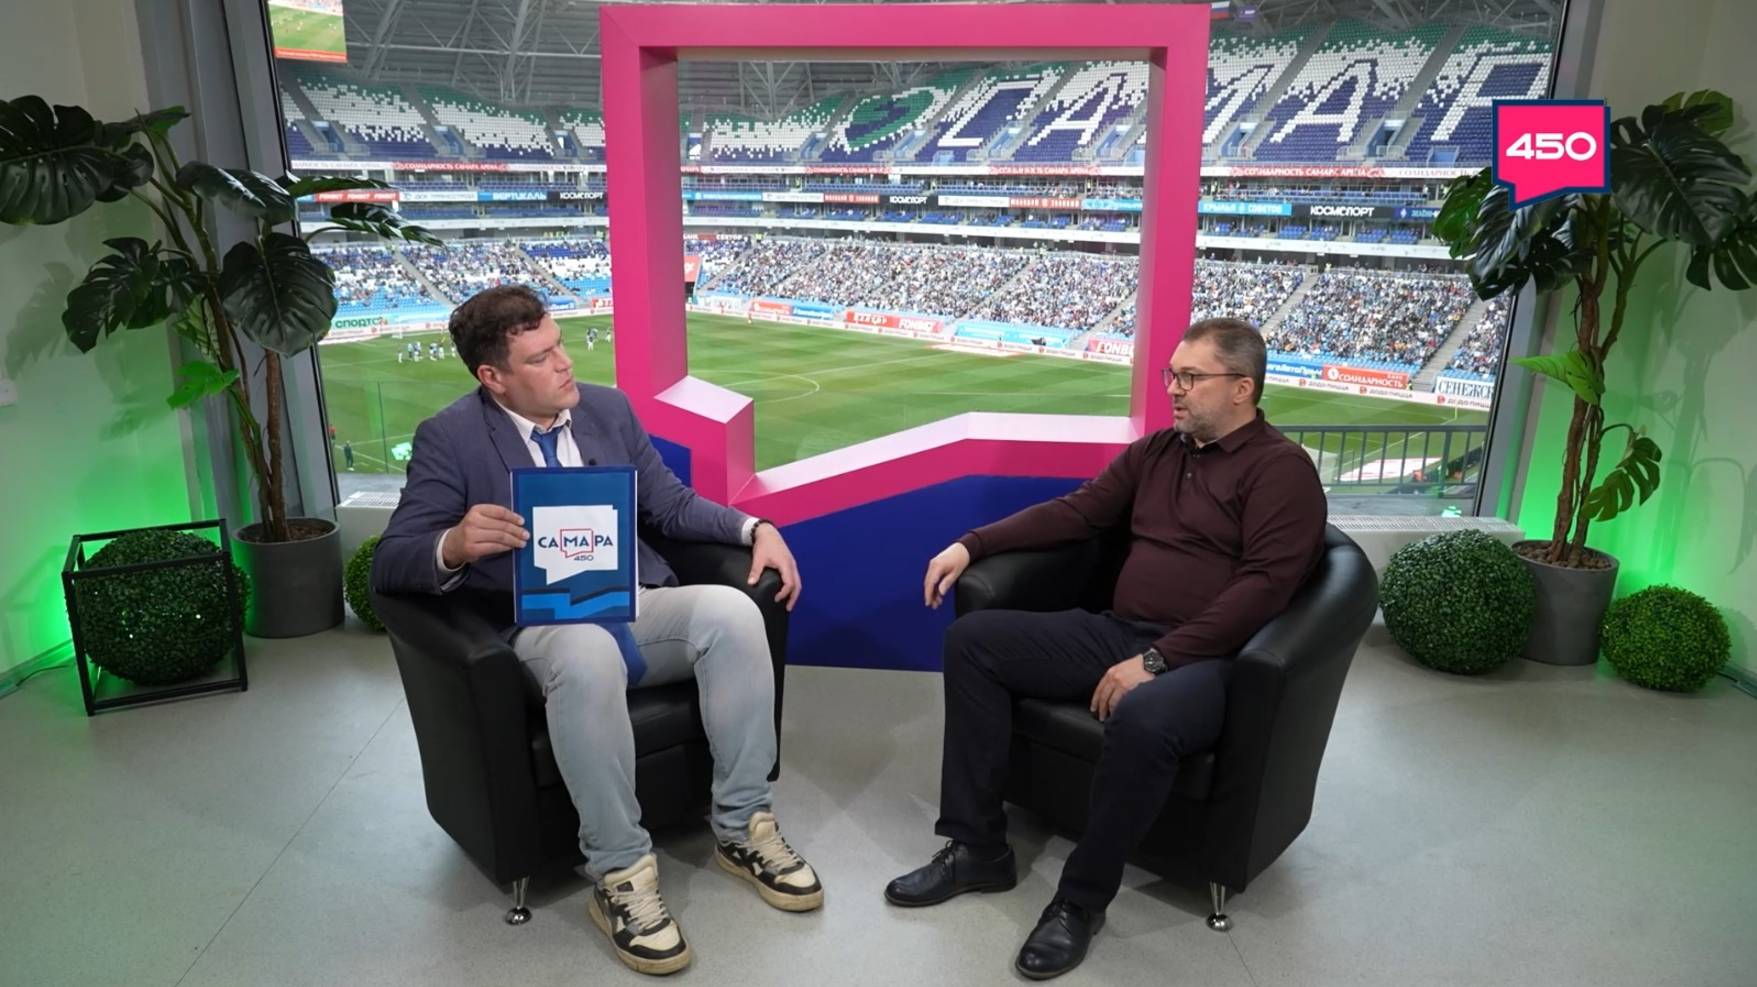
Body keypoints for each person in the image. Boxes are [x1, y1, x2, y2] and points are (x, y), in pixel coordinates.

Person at [373, 286, 822, 977]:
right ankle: (621, 875)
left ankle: (743, 826)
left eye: (559, 345)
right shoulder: (451, 437)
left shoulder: (608, 410)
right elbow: (392, 560)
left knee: (735, 612)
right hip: (536, 626)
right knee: (584, 653)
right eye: (539, 357)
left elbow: (669, 504)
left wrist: (753, 527)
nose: (564, 363)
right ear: (493, 376)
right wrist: (454, 544)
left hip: (633, 603)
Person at [885, 318, 1328, 980]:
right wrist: (972, 543)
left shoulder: (1280, 471)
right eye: (1172, 374)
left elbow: (1265, 589)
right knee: (973, 641)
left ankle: (1079, 901)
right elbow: (1079, 511)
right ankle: (977, 848)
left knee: (1144, 715)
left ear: (1242, 388)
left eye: (1191, 377)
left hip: (1213, 661)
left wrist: (1157, 661)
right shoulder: (1158, 452)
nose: (1173, 389)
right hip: (1120, 631)